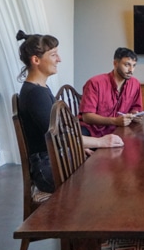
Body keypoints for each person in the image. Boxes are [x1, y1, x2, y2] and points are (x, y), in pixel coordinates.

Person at [15, 30, 123, 193]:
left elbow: (60, 133)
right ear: (36, 60)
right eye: (53, 55)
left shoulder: (40, 88)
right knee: (106, 175)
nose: (59, 59)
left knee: (105, 167)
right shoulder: (35, 93)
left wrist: (78, 146)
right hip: (47, 168)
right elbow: (58, 137)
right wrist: (100, 141)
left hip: (54, 159)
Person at [80, 47, 144, 137]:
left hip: (119, 130)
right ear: (115, 63)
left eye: (134, 65)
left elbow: (136, 108)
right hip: (92, 130)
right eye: (127, 65)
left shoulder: (135, 84)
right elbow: (87, 117)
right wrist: (114, 121)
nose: (131, 70)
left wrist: (135, 115)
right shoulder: (95, 83)